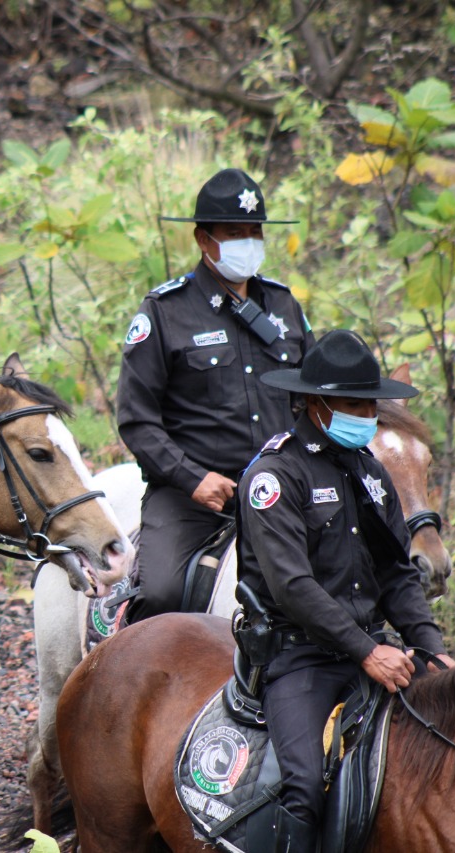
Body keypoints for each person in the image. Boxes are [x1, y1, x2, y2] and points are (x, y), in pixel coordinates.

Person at [235, 329, 455, 851]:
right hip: (302, 658)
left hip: (376, 647)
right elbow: (292, 586)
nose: (366, 415)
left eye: (370, 404)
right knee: (304, 785)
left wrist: (432, 647)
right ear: (316, 404)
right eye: (353, 404)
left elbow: (397, 573)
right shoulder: (274, 476)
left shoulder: (371, 472)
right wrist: (367, 651)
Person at [116, 168, 309, 621]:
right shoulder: (164, 312)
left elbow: (309, 400)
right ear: (204, 241)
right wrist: (193, 479)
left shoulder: (283, 306)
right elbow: (136, 419)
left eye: (255, 232)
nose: (248, 242)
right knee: (160, 596)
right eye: (234, 233)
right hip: (192, 499)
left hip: (282, 489)